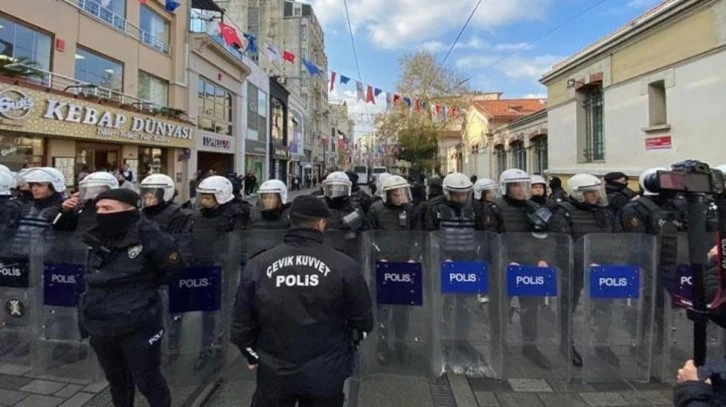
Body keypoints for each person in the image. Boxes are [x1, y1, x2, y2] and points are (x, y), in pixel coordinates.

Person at [231, 195, 373, 406]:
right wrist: (347, 348)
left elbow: (241, 324)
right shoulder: (344, 265)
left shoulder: (258, 264)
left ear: (291, 220)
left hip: (275, 372)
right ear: (321, 223)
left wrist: (252, 355)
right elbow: (363, 321)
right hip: (326, 370)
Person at [79, 189, 184, 407]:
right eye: (98, 208)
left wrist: (141, 292)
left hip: (138, 323)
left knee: (147, 379)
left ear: (130, 210)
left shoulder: (152, 236)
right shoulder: (96, 235)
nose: (101, 213)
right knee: (117, 380)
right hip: (100, 323)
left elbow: (172, 270)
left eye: (108, 208)